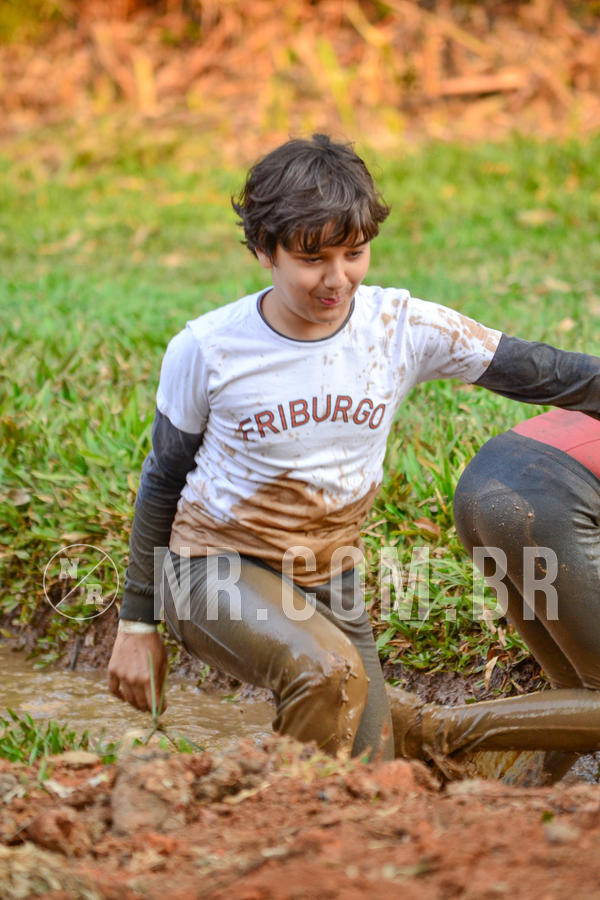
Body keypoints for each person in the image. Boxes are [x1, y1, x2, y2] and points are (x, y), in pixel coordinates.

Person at [107, 134, 600, 764]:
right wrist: (136, 622)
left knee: (370, 761)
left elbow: (546, 372)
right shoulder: (207, 349)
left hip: (328, 573)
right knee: (325, 673)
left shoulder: (399, 327)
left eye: (354, 253)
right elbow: (161, 482)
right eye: (313, 258)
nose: (337, 279)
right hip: (213, 567)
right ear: (265, 250)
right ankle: (284, 830)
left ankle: (410, 759)